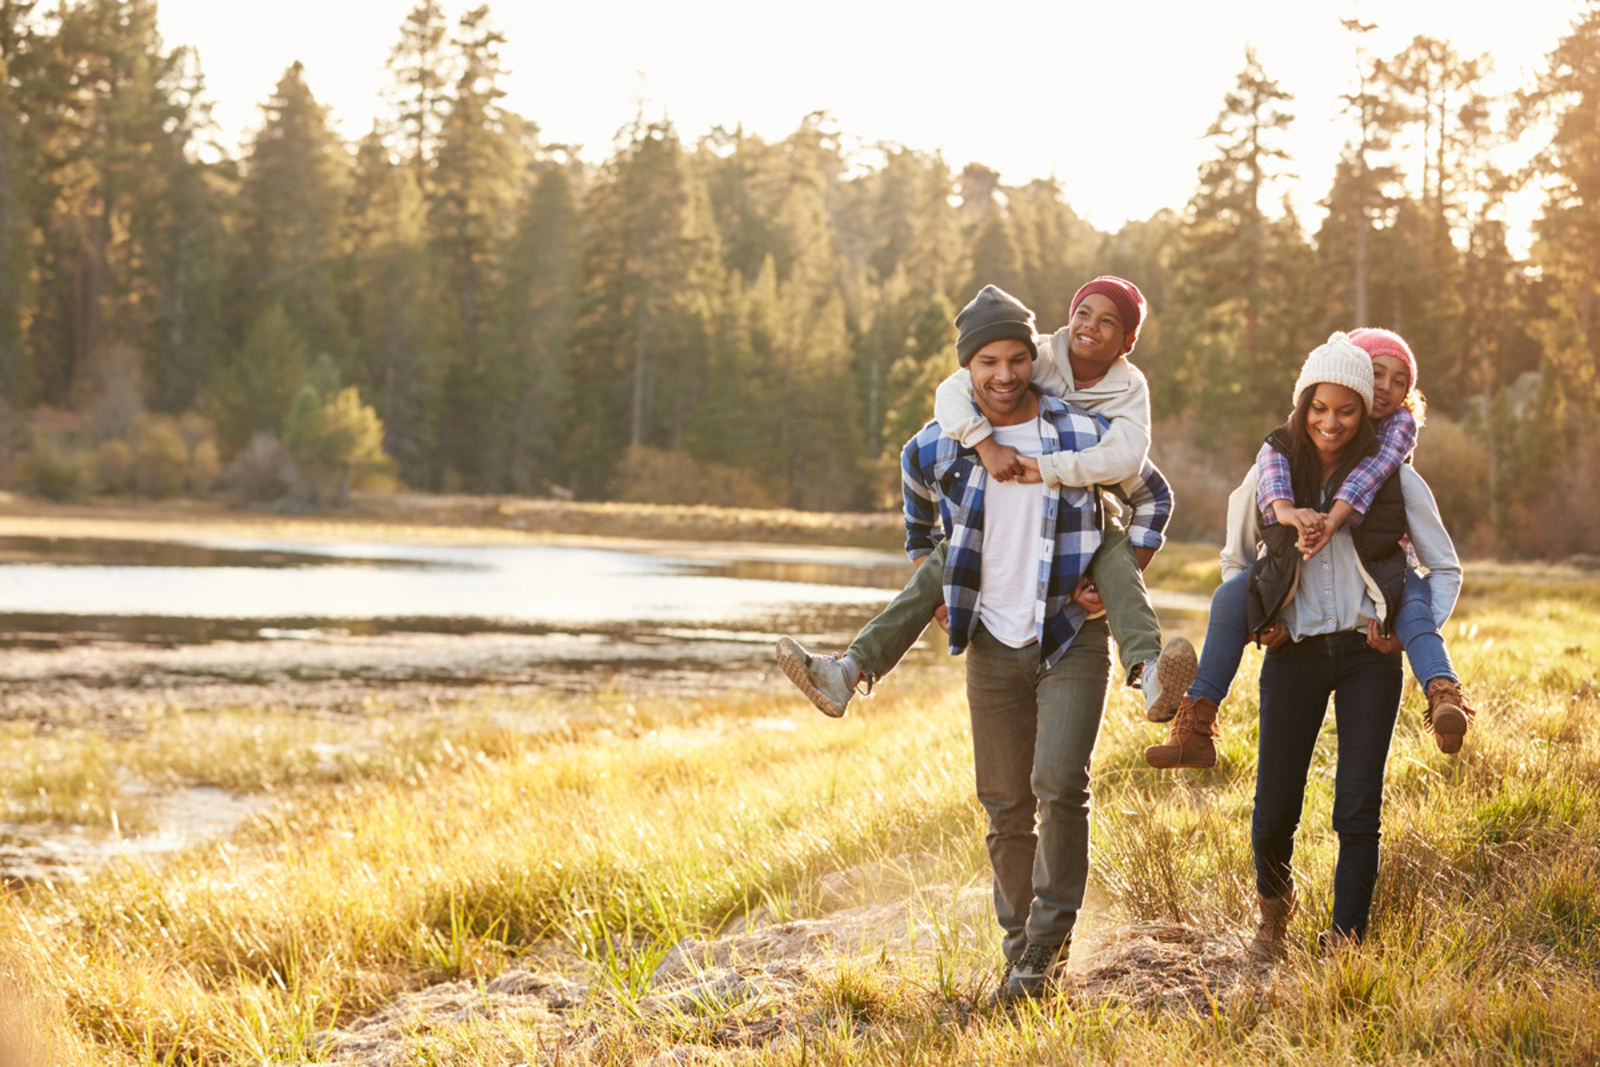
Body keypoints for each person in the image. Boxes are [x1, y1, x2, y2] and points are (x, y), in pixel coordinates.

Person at [893, 286, 1172, 999]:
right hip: (990, 638)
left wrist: (1118, 573)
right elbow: (915, 488)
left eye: (1017, 359)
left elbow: (1152, 491)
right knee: (1004, 805)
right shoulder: (945, 438)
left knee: (1059, 786)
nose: (1006, 374)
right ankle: (1020, 952)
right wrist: (931, 568)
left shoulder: (1078, 430)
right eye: (988, 361)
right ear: (968, 369)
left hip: (1070, 632)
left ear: (1032, 360)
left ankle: (1044, 954)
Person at [777, 277, 1194, 724]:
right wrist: (983, 444)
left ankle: (1149, 672)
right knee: (945, 560)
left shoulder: (1127, 393)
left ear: (1128, 341)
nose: (1005, 373)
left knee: (1115, 556)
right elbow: (953, 391)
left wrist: (1110, 573)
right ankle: (847, 672)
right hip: (995, 518)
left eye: (1108, 321)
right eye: (1083, 313)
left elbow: (1135, 463)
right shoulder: (1038, 357)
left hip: (1089, 514)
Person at [1214, 335, 1463, 959]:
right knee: (1274, 806)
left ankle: (1347, 938)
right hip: (1293, 654)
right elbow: (1234, 562)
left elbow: (1445, 569)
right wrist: (1260, 618)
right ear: (1306, 405)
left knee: (1357, 808)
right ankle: (1274, 915)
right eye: (1321, 408)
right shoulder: (1271, 473)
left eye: (1348, 409)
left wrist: (1406, 631)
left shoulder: (1396, 479)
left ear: (1362, 412)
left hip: (1366, 658)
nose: (1332, 420)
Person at [1145, 327, 1475, 770]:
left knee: (1414, 606)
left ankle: (1443, 693)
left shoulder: (1393, 451)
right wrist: (1264, 612)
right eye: (1377, 374)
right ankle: (1197, 720)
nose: (1387, 389)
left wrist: (1333, 519)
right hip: (1294, 616)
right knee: (1228, 597)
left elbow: (1374, 479)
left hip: (1382, 584)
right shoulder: (1280, 452)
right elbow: (1242, 540)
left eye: (1400, 382)